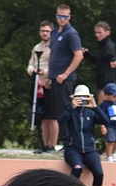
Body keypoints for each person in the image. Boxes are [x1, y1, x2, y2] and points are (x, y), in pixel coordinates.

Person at [58, 84, 109, 186]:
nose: (82, 99)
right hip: (73, 148)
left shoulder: (91, 113)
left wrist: (95, 107)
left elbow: (106, 120)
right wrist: (72, 108)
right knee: (77, 168)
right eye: (79, 97)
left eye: (85, 97)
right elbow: (61, 121)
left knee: (99, 173)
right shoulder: (70, 112)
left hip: (90, 149)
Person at [46, 4, 83, 145]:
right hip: (55, 77)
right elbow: (52, 54)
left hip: (65, 79)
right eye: (60, 16)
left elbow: (78, 55)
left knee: (65, 109)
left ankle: (69, 140)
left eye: (65, 16)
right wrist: (50, 75)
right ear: (56, 16)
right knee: (57, 111)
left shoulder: (71, 34)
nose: (62, 19)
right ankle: (64, 140)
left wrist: (66, 73)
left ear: (69, 17)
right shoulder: (55, 33)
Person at [27, 21, 55, 152]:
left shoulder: (54, 47)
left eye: (47, 31)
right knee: (43, 116)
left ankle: (52, 144)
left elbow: (55, 66)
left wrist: (46, 72)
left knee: (52, 115)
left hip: (49, 83)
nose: (44, 33)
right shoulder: (36, 47)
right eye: (43, 31)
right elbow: (31, 63)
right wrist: (32, 70)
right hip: (38, 85)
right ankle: (45, 144)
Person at [83, 21, 116, 104]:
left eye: (100, 33)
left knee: (103, 109)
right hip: (104, 83)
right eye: (96, 33)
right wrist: (87, 54)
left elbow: (111, 55)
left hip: (107, 85)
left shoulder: (108, 46)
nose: (97, 35)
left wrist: (113, 60)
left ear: (107, 33)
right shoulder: (103, 47)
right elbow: (99, 61)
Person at [99, 82, 116, 162]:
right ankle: (109, 156)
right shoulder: (104, 105)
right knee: (111, 141)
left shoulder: (115, 103)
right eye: (114, 96)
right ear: (106, 95)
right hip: (109, 126)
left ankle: (113, 153)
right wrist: (103, 126)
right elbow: (100, 116)